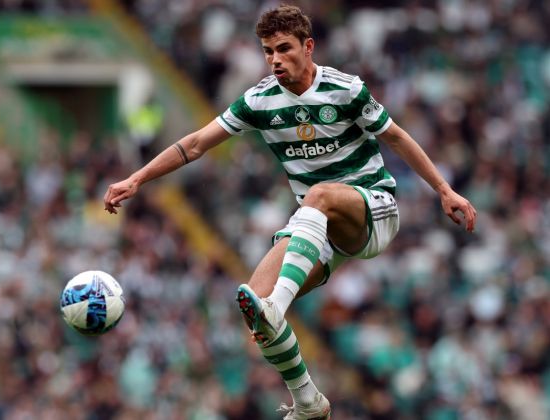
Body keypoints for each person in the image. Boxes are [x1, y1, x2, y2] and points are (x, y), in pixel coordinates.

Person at [104, 5, 477, 419]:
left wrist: (444, 190)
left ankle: (277, 308)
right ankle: (308, 401)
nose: (275, 59)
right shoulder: (259, 100)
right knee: (253, 303)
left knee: (317, 197)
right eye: (268, 51)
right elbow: (194, 144)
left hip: (372, 209)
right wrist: (136, 179)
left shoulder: (346, 89)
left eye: (284, 48)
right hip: (318, 230)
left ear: (308, 46)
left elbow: (397, 138)